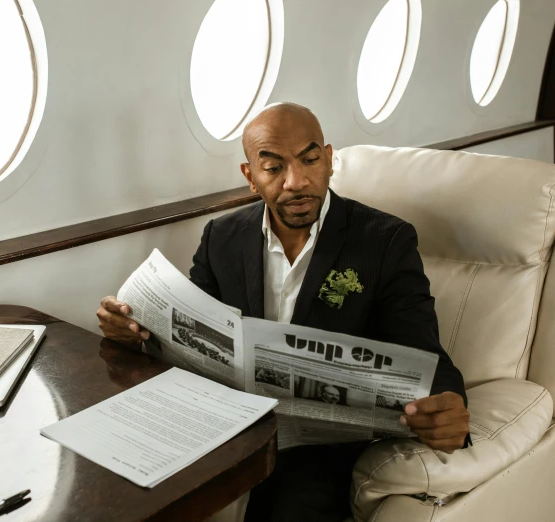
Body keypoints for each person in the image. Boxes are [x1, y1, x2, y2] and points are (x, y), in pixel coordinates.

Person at [96, 103, 470, 521]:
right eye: (273, 168)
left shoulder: (385, 241)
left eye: (309, 160)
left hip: (317, 442)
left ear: (329, 160)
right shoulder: (222, 237)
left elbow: (422, 350)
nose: (297, 182)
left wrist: (449, 404)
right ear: (250, 177)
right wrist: (133, 331)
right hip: (229, 418)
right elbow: (190, 334)